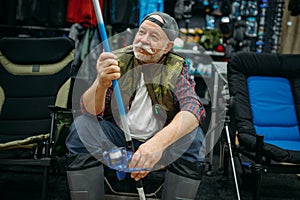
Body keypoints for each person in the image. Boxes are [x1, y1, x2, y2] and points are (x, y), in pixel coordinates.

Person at [66, 11, 206, 200]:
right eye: (141, 33)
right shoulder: (118, 60)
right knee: (81, 128)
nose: (143, 41)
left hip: (158, 140)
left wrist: (156, 144)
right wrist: (101, 83)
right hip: (118, 137)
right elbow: (90, 111)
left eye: (154, 36)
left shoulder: (176, 68)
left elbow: (193, 108)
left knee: (194, 139)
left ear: (167, 47)